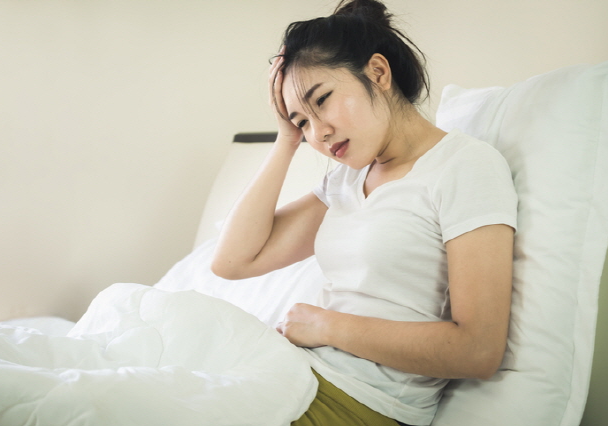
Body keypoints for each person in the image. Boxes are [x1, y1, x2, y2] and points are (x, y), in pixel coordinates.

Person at [211, 0, 518, 425]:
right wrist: (285, 138)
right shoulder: (347, 179)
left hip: (361, 402)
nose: (318, 133)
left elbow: (478, 350)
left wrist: (327, 327)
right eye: (302, 122)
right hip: (293, 374)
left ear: (378, 72)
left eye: (322, 100)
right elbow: (231, 262)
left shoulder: (464, 166)